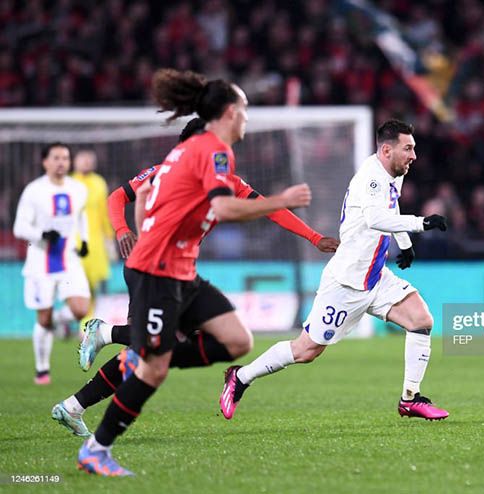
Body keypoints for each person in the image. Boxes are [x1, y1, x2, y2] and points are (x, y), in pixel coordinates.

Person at [76, 68, 312, 476]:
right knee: (154, 368)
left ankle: (152, 355)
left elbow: (155, 200)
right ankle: (97, 448)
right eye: (245, 110)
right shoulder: (212, 151)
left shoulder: (190, 152)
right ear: (228, 113)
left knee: (237, 340)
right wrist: (279, 200)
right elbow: (222, 208)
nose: (248, 119)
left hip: (181, 269)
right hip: (158, 270)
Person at [52, 117, 338, 438]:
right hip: (152, 269)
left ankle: (76, 404)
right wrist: (122, 230)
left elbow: (269, 211)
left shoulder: (225, 180)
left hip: (179, 272)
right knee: (155, 349)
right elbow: (117, 197)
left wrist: (314, 238)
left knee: (153, 350)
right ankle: (103, 339)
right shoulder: (168, 173)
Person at [219, 119, 450, 422]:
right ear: (386, 149)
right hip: (346, 283)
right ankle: (242, 377)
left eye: (414, 149)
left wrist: (404, 243)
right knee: (306, 351)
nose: (413, 155)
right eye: (408, 148)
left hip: (376, 276)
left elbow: (391, 210)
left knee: (421, 320)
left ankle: (410, 399)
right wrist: (421, 224)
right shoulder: (371, 177)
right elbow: (376, 219)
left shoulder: (394, 172)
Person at [13, 142, 91, 385]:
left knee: (80, 309)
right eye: (56, 158)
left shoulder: (78, 188)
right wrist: (41, 235)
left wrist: (85, 239)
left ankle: (63, 325)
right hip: (40, 261)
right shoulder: (33, 191)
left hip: (69, 257)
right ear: (45, 162)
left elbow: (81, 216)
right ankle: (42, 369)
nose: (61, 163)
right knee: (43, 319)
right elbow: (19, 227)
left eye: (65, 158)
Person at [71, 149, 115, 334]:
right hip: (75, 240)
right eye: (83, 160)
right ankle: (67, 320)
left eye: (90, 160)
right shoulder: (69, 183)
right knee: (77, 285)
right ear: (75, 162)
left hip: (96, 241)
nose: (87, 163)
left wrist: (110, 240)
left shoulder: (99, 182)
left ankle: (86, 326)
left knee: (94, 285)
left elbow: (105, 213)